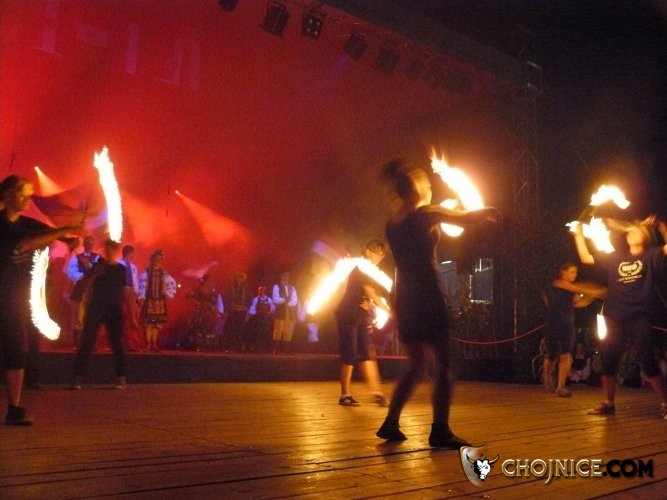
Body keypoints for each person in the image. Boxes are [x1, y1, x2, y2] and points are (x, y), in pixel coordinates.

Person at [375, 159, 500, 448]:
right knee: (445, 363)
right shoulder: (426, 213)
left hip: (405, 296)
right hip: (426, 294)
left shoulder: (393, 223)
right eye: (426, 184)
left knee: (416, 364)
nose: (430, 188)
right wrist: (486, 212)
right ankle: (440, 430)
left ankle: (391, 422)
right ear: (416, 189)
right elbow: (466, 217)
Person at [0, 175, 79, 425]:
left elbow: (45, 233)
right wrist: (63, 231)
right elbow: (21, 246)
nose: (28, 198)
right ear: (8, 195)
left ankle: (14, 409)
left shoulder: (27, 223)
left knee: (15, 351)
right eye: (23, 192)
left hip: (13, 301)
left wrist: (66, 238)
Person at [572, 216, 667, 418]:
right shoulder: (615, 257)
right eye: (630, 230)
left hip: (640, 316)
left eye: (637, 230)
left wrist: (660, 226)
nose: (632, 232)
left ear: (646, 237)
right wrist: (579, 234)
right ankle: (609, 403)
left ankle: (665, 404)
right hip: (615, 316)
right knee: (608, 359)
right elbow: (586, 258)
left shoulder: (651, 256)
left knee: (647, 360)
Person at [335, 239, 392, 407]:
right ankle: (344, 395)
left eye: (382, 254)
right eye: (377, 252)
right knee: (350, 352)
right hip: (349, 314)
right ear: (367, 251)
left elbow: (369, 295)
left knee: (367, 352)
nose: (380, 256)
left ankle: (376, 393)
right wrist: (388, 309)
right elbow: (369, 291)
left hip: (361, 314)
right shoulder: (361, 267)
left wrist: (371, 304)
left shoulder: (370, 271)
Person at [71, 239, 132, 390]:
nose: (109, 251)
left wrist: (130, 312)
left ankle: (121, 377)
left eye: (112, 248)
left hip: (114, 308)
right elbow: (87, 284)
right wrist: (93, 274)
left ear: (116, 250)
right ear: (105, 249)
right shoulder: (98, 266)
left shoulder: (121, 269)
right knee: (87, 342)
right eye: (107, 248)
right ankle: (77, 378)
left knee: (117, 343)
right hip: (96, 307)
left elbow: (125, 290)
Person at [541, 263, 605, 397]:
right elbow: (577, 288)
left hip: (567, 324)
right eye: (571, 272)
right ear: (562, 273)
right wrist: (595, 291)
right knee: (552, 355)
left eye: (575, 272)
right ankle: (546, 377)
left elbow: (578, 302)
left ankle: (560, 386)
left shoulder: (571, 289)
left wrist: (591, 296)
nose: (574, 275)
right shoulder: (558, 283)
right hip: (553, 323)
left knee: (566, 354)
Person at [137, 249, 177, 352]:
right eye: (155, 259)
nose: (157, 262)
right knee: (148, 324)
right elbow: (141, 285)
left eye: (159, 260)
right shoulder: (146, 272)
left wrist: (166, 292)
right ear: (151, 260)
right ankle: (148, 344)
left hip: (159, 301)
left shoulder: (163, 273)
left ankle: (154, 345)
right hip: (149, 300)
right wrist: (141, 296)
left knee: (156, 324)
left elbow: (172, 284)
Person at [66, 235, 101, 348]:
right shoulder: (77, 257)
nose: (89, 245)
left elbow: (99, 272)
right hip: (81, 289)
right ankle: (78, 343)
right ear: (84, 244)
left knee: (93, 317)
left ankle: (92, 343)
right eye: (87, 242)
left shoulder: (98, 257)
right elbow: (71, 271)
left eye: (91, 243)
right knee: (79, 317)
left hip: (93, 290)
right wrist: (82, 276)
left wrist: (90, 268)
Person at [118, 244, 141, 351]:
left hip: (131, 296)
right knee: (123, 317)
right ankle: (122, 342)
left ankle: (131, 342)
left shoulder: (133, 267)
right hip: (121, 295)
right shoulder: (118, 265)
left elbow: (135, 282)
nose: (134, 255)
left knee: (132, 316)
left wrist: (137, 294)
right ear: (128, 253)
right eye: (133, 253)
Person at [271, 271, 298, 354]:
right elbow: (275, 298)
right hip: (280, 310)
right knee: (278, 330)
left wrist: (289, 304)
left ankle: (286, 349)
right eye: (285, 275)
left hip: (289, 311)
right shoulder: (277, 286)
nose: (286, 277)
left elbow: (295, 300)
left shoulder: (291, 287)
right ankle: (276, 349)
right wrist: (284, 300)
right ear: (281, 276)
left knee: (288, 330)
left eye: (287, 276)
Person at [224, 272, 250, 352]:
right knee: (232, 329)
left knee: (240, 329)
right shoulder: (231, 288)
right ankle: (231, 346)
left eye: (240, 278)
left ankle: (239, 346)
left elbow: (250, 298)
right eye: (237, 278)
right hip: (233, 311)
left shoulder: (246, 289)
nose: (239, 280)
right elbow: (227, 298)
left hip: (242, 311)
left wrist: (247, 307)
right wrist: (227, 308)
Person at [247, 286, 275, 352]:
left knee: (266, 333)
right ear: (258, 291)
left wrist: (270, 312)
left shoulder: (269, 299)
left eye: (263, 290)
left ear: (265, 291)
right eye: (260, 290)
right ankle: (257, 347)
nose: (262, 292)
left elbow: (273, 307)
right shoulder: (255, 299)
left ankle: (265, 348)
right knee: (258, 333)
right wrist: (254, 313)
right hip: (258, 319)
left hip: (266, 319)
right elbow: (252, 308)